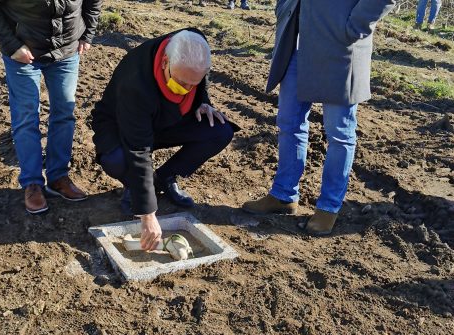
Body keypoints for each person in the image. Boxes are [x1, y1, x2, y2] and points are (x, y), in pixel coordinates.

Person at [242, 0, 396, 235]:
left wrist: (354, 26)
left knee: (339, 134)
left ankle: (328, 207)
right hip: (296, 39)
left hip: (340, 45)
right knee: (289, 123)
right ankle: (283, 195)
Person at [91, 29, 237, 251]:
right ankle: (134, 186)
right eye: (181, 83)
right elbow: (139, 149)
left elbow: (199, 80)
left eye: (192, 84)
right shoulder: (135, 84)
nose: (187, 89)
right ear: (164, 62)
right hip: (123, 124)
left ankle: (164, 177)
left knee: (219, 131)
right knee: (117, 159)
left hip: (167, 117)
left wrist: (202, 100)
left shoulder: (195, 45)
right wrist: (147, 214)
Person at [0, 0, 102, 214]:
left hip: (67, 50)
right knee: (26, 117)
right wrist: (11, 45)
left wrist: (88, 32)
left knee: (64, 114)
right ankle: (32, 183)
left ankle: (58, 177)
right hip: (23, 53)